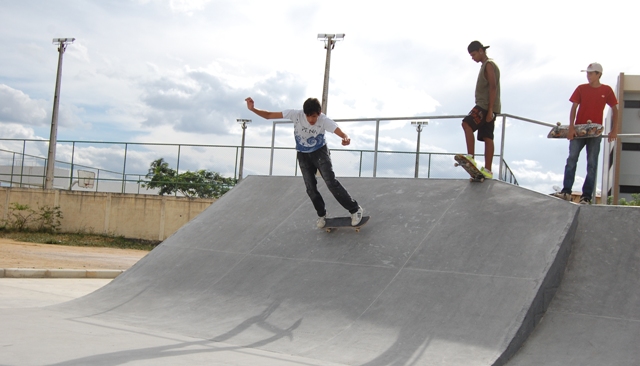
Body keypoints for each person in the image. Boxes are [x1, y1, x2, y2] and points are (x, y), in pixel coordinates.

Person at [244, 97, 364, 227]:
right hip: (303, 155)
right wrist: (252, 109)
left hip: (320, 153)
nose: (311, 120)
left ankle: (355, 210)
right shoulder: (295, 114)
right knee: (310, 188)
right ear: (304, 113)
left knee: (330, 182)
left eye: (314, 117)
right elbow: (268, 115)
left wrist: (346, 138)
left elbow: (340, 131)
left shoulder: (324, 120)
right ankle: (321, 215)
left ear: (319, 113)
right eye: (308, 117)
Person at [553, 62, 619, 204]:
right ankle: (566, 192)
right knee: (571, 159)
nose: (588, 76)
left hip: (595, 132)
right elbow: (574, 107)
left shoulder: (606, 90)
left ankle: (586, 197)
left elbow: (615, 108)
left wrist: (614, 129)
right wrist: (571, 127)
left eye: (591, 73)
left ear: (598, 74)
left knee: (592, 163)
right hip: (578, 130)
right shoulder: (581, 88)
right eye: (587, 73)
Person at [461, 40, 501, 179]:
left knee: (466, 123)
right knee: (487, 136)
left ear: (481, 51)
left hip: (484, 106)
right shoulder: (488, 64)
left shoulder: (488, 65)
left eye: (473, 54)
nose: (473, 58)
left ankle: (470, 157)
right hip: (491, 107)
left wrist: (489, 110)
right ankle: (488, 170)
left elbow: (493, 86)